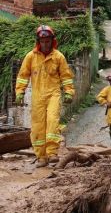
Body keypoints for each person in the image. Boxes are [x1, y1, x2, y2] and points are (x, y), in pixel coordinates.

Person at [15, 25, 75, 168]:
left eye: (48, 41)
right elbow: (23, 76)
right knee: (37, 127)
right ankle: (41, 157)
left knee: (52, 121)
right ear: (38, 41)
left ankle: (52, 153)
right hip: (37, 97)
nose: (45, 44)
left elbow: (66, 77)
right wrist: (20, 92)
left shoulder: (58, 57)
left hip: (53, 94)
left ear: (52, 41)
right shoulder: (31, 57)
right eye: (42, 41)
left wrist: (68, 92)